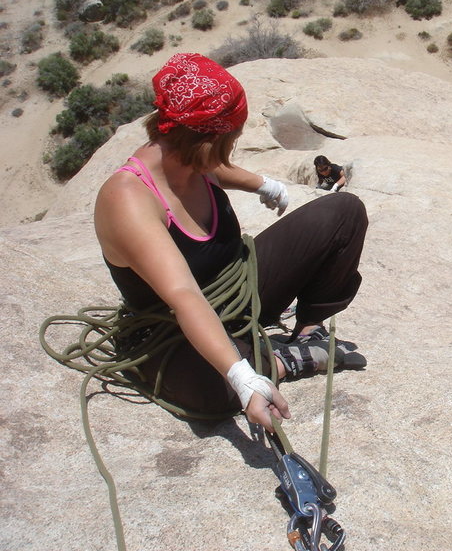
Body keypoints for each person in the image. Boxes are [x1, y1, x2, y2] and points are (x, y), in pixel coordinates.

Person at [93, 53, 368, 432]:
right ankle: (284, 360)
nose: (234, 146)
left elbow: (213, 165)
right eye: (232, 139)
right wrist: (241, 377)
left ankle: (307, 330)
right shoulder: (129, 199)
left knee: (343, 213)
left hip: (238, 287)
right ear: (207, 140)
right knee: (215, 390)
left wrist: (262, 184)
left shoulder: (191, 155)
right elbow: (184, 296)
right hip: (172, 327)